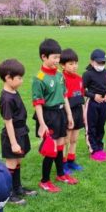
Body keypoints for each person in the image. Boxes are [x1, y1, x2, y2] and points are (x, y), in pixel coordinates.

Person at [31, 39, 77, 192]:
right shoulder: (39, 78)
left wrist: (69, 115)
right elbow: (37, 104)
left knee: (61, 144)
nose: (57, 60)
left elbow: (64, 96)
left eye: (59, 57)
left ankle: (60, 174)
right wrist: (42, 124)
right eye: (54, 57)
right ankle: (44, 181)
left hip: (61, 113)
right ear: (44, 57)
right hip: (48, 115)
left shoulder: (59, 75)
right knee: (51, 148)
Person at [0, 59, 36, 205]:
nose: (22, 80)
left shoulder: (13, 91)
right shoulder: (6, 98)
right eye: (19, 78)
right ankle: (9, 194)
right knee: (11, 163)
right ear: (8, 78)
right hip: (12, 134)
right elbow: (8, 121)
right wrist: (13, 143)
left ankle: (17, 188)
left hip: (21, 131)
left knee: (18, 160)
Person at [83, 49, 106, 161]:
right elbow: (81, 90)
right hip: (92, 104)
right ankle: (93, 150)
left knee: (100, 127)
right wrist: (93, 96)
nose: (101, 65)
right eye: (99, 62)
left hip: (104, 104)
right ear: (91, 62)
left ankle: (100, 148)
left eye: (103, 62)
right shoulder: (87, 74)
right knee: (91, 127)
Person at [60, 49, 86, 172]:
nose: (74, 66)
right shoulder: (61, 79)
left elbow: (82, 97)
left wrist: (84, 113)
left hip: (78, 111)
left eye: (76, 63)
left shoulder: (79, 79)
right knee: (66, 140)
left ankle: (71, 161)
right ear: (63, 65)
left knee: (74, 139)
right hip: (67, 112)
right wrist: (68, 114)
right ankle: (63, 163)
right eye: (71, 64)